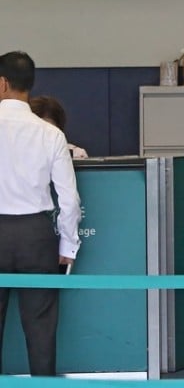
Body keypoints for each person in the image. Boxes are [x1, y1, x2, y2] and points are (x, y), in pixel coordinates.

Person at [0, 51, 82, 375]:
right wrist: (69, 245)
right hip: (36, 235)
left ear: (2, 83)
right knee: (41, 327)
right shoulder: (52, 134)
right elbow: (69, 199)